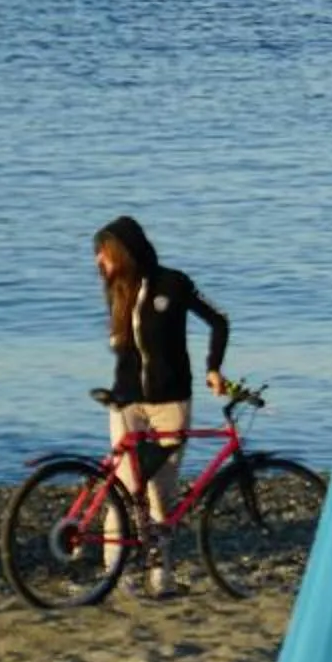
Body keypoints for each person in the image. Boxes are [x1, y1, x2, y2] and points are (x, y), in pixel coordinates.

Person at [92, 216, 231, 597]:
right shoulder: (116, 289)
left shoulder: (174, 283)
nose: (97, 262)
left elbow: (219, 321)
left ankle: (160, 577)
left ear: (123, 251)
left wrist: (214, 369)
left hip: (171, 402)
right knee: (124, 489)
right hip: (127, 404)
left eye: (103, 253)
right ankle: (117, 575)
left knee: (160, 494)